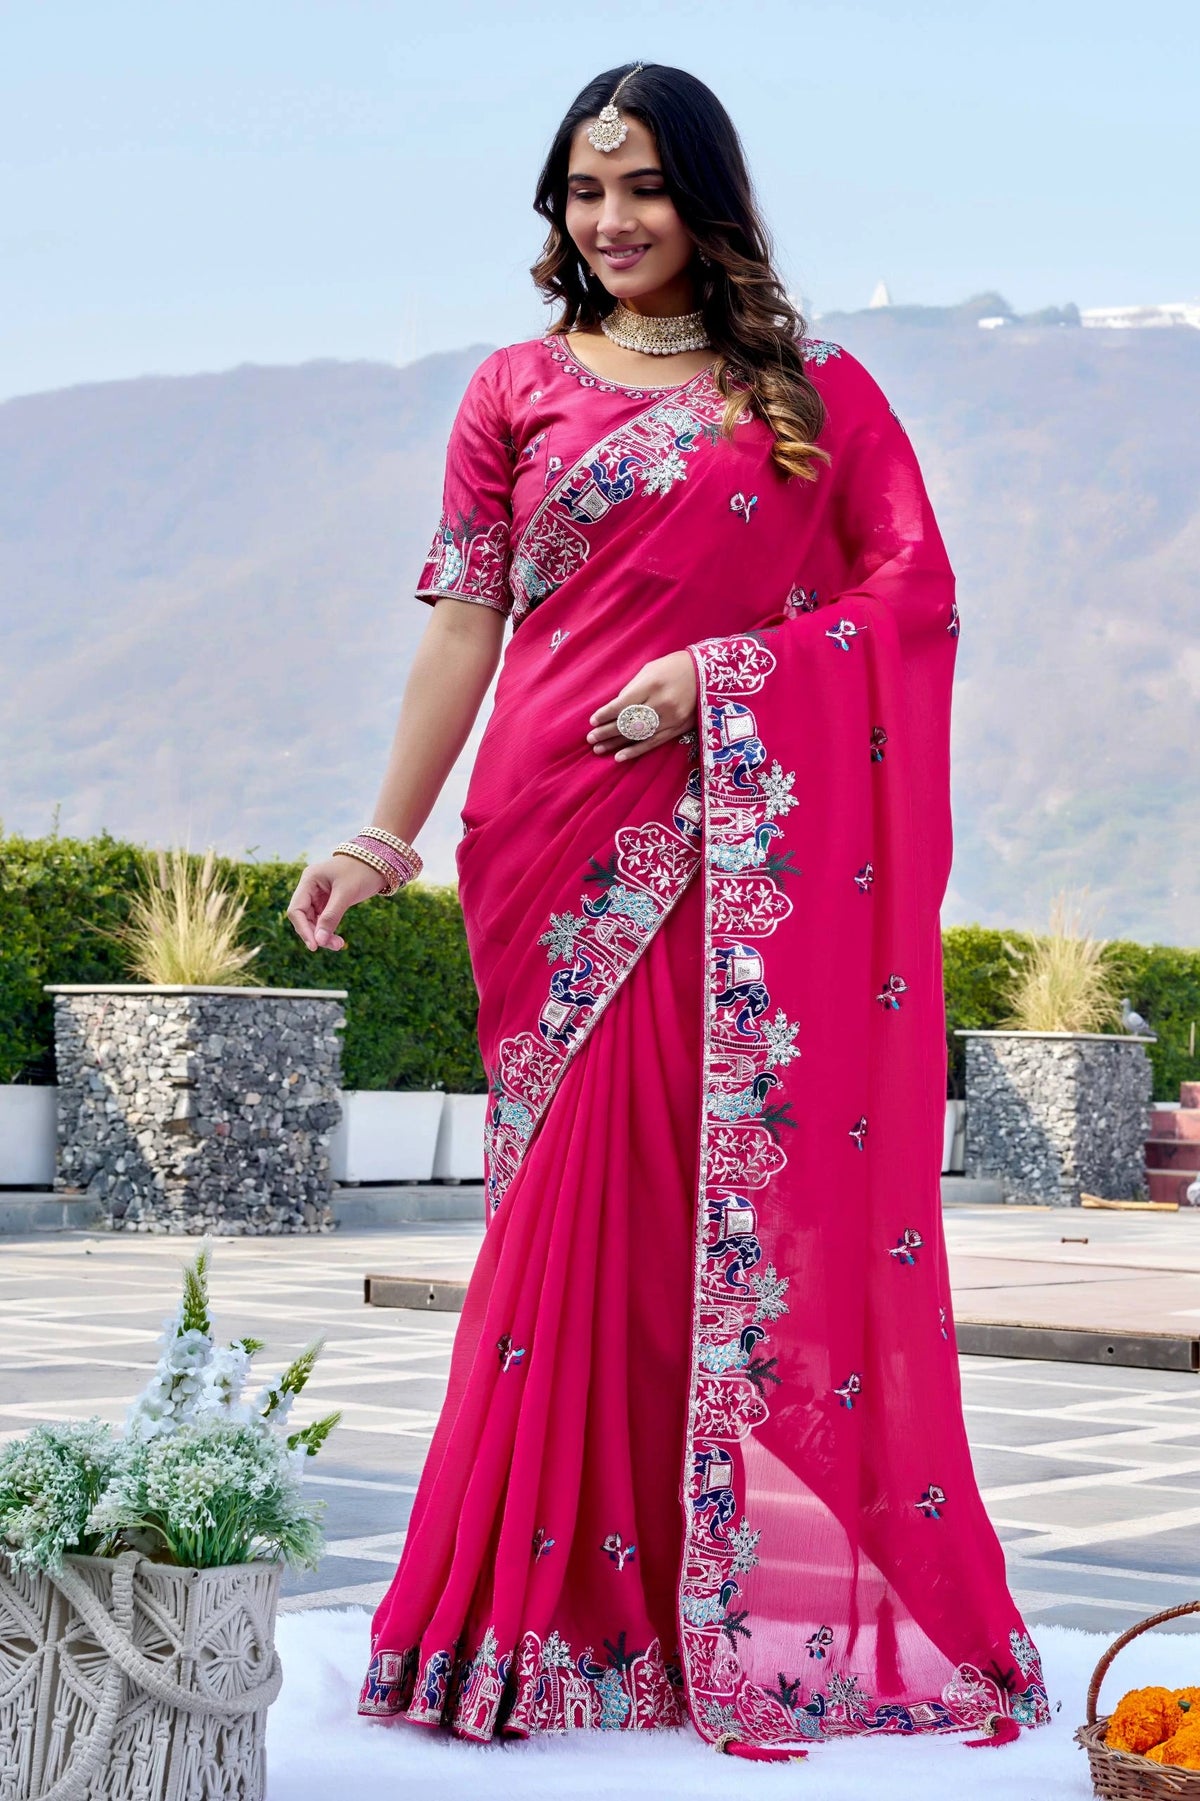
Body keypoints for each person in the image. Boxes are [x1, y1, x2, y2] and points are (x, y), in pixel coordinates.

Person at [286, 61, 1050, 1760]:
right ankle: (538, 1615)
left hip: (726, 841)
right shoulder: (510, 388)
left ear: (707, 198)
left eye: (640, 188)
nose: (611, 222)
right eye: (582, 191)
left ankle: (673, 1606)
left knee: (694, 1227)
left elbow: (907, 602)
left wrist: (723, 676)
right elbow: (461, 629)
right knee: (562, 1216)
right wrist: (380, 832)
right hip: (549, 835)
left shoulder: (813, 394)